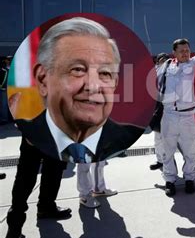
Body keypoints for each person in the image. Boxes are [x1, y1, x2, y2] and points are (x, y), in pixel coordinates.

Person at [14, 17, 143, 163]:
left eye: (105, 73)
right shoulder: (30, 133)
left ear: (115, 83)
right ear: (43, 79)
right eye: (78, 70)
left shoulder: (129, 136)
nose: (93, 86)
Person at [159, 38, 195, 197]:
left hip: (188, 115)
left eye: (187, 50)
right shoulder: (165, 66)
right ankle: (170, 180)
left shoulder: (193, 64)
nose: (186, 53)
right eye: (182, 50)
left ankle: (189, 178)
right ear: (174, 52)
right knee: (168, 150)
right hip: (169, 115)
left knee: (190, 149)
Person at [149, 53, 169, 171]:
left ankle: (190, 163)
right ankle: (160, 160)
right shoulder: (154, 73)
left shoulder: (173, 72)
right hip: (158, 109)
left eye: (166, 60)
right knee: (158, 137)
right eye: (162, 60)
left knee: (179, 139)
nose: (164, 62)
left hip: (171, 109)